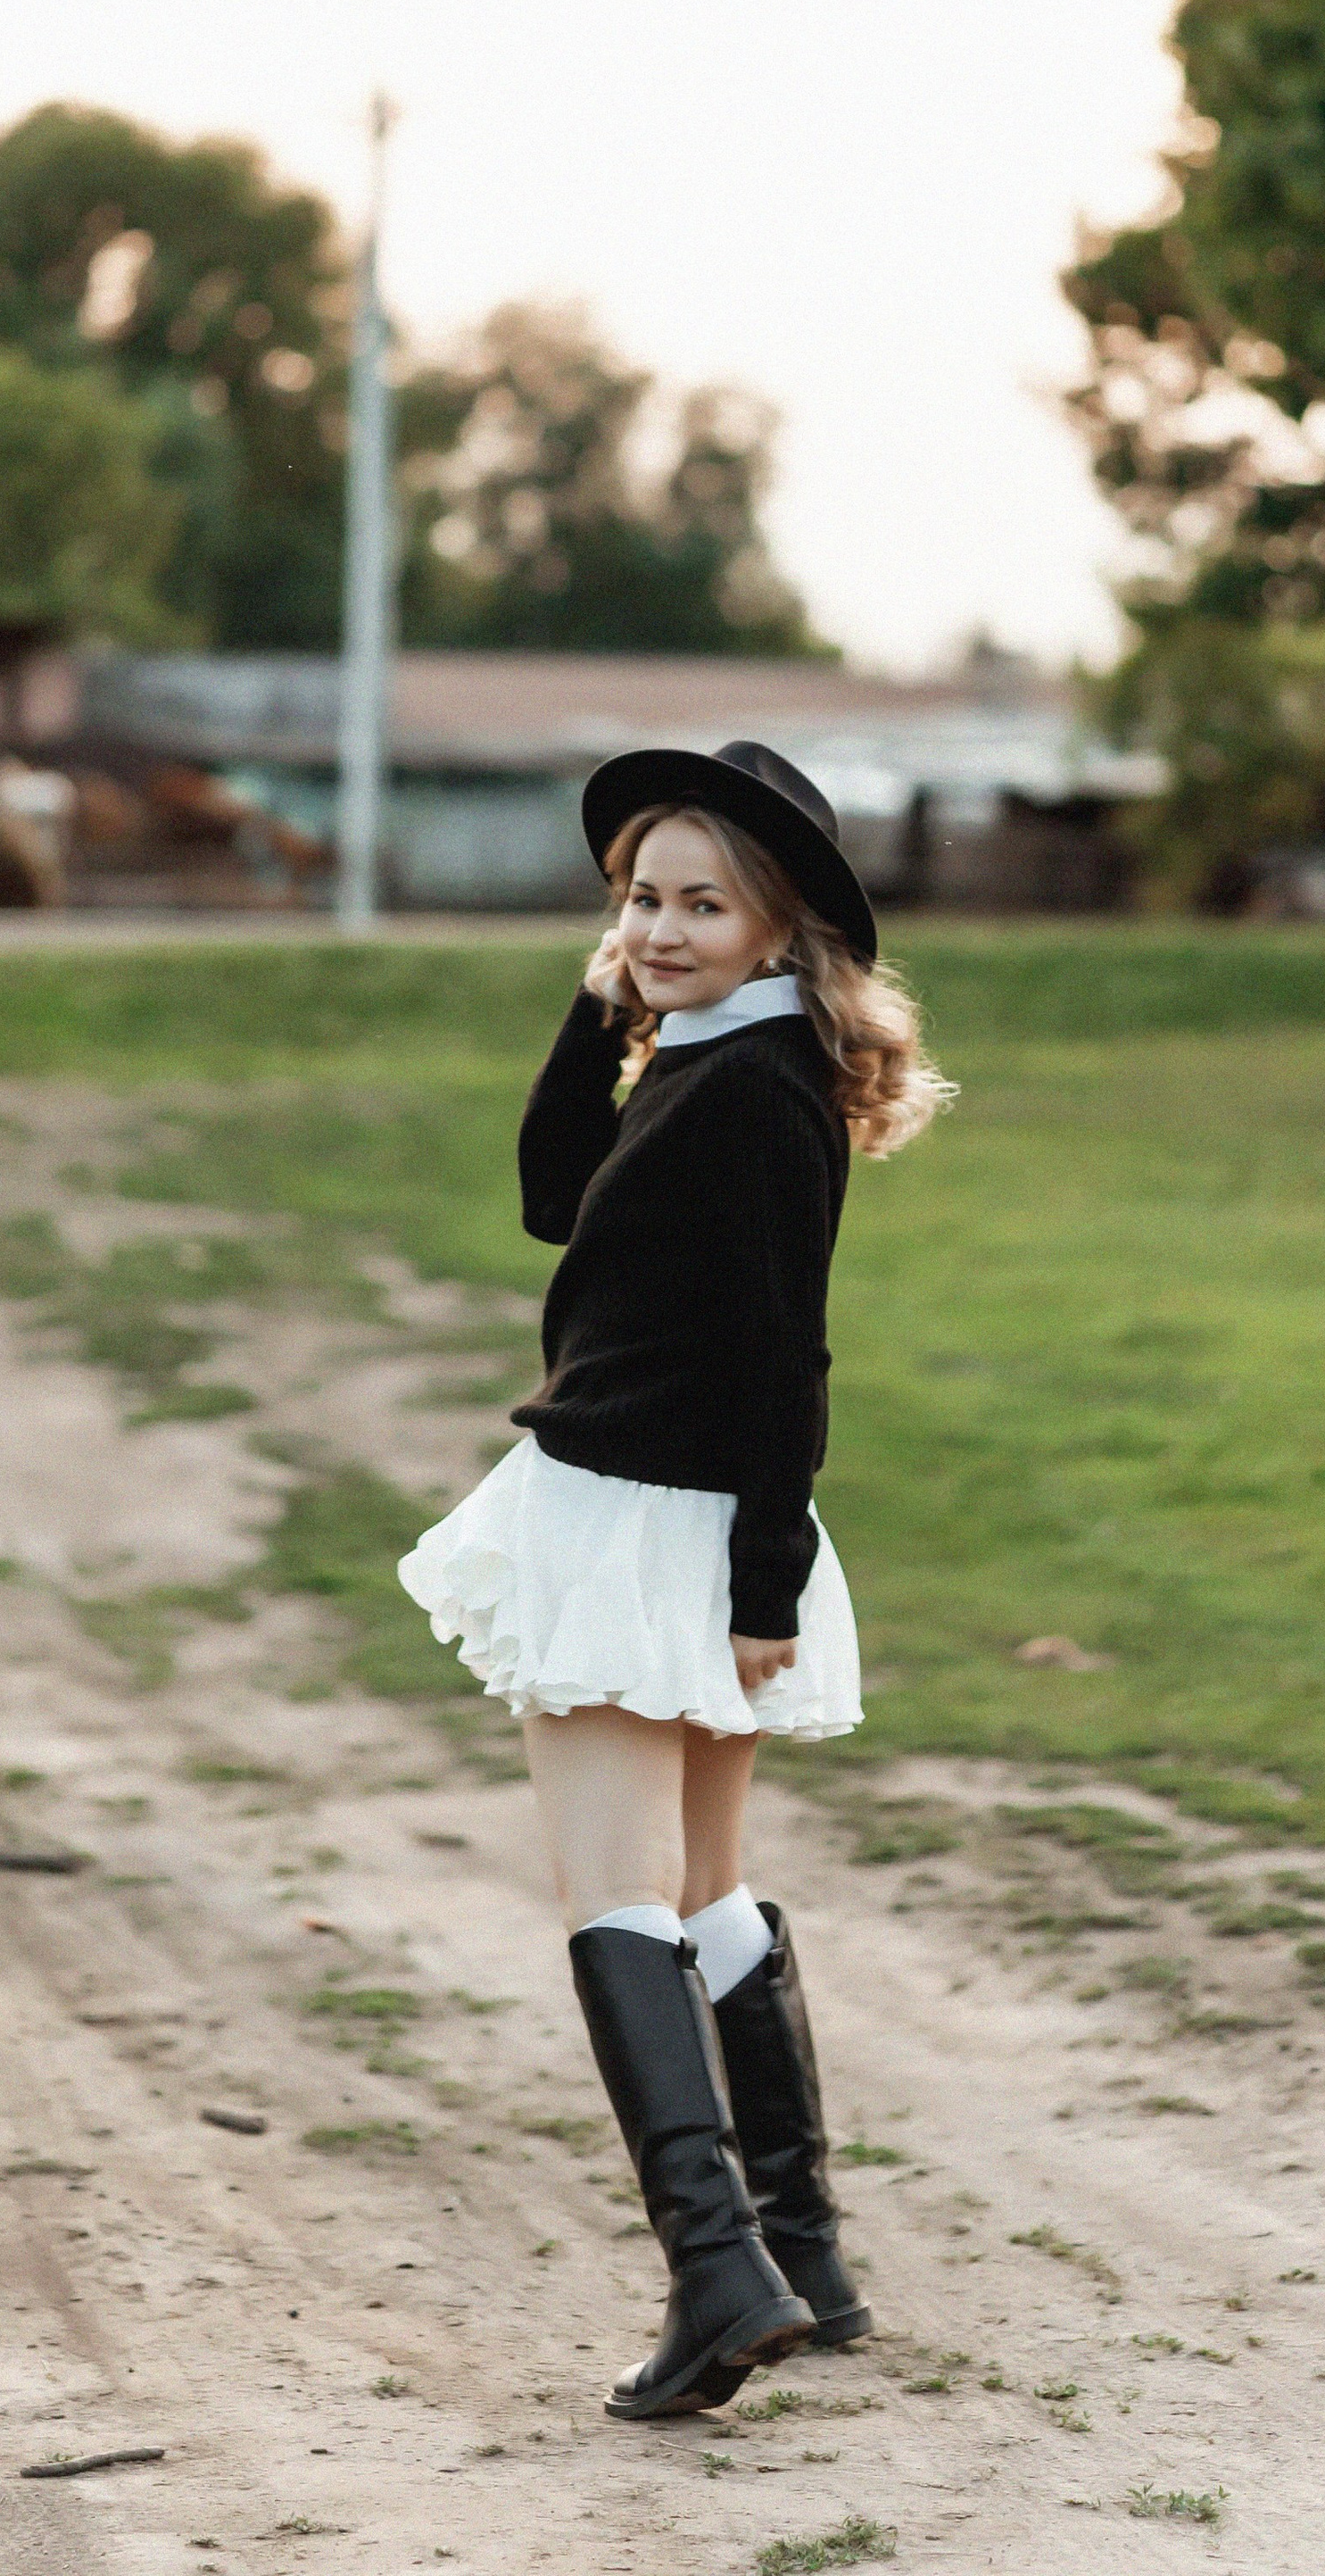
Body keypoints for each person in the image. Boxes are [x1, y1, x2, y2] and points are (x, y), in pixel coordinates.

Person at [399, 739, 953, 2422]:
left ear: (781, 931)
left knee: (614, 1891)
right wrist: (602, 1007)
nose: (661, 927)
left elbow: (794, 1355)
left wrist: (764, 1585)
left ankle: (718, 2275)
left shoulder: (760, 1094)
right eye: (644, 896)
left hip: (658, 1531)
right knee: (706, 1885)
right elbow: (551, 1198)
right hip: (676, 1524)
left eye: (703, 904)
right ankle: (803, 2247)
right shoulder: (713, 1057)